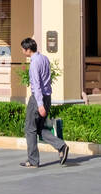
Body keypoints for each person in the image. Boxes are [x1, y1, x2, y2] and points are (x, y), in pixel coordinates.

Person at [20, 37, 69, 168]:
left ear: (28, 49)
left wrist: (40, 104)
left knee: (30, 129)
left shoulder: (34, 62)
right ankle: (61, 146)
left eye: (23, 49)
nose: (22, 51)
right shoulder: (45, 59)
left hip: (38, 99)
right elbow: (47, 79)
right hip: (47, 96)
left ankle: (33, 160)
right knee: (40, 128)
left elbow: (36, 85)